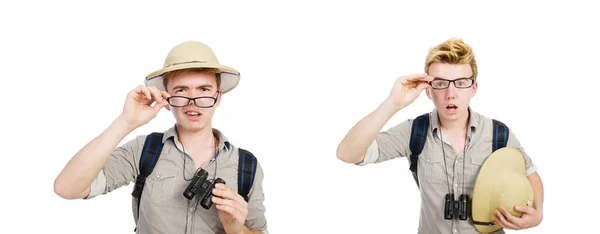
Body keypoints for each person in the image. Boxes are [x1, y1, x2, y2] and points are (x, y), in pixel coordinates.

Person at [54, 41, 268, 234]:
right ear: (166, 97)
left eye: (203, 89)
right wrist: (126, 121)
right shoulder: (145, 150)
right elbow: (67, 188)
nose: (192, 101)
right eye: (181, 90)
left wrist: (238, 231)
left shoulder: (246, 166)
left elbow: (259, 231)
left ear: (217, 96)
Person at [336, 38, 543, 233]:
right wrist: (393, 104)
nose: (450, 93)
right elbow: (347, 154)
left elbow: (530, 174)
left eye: (461, 83)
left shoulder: (498, 133)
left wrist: (538, 214)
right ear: (428, 90)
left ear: (474, 88)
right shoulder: (414, 131)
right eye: (441, 83)